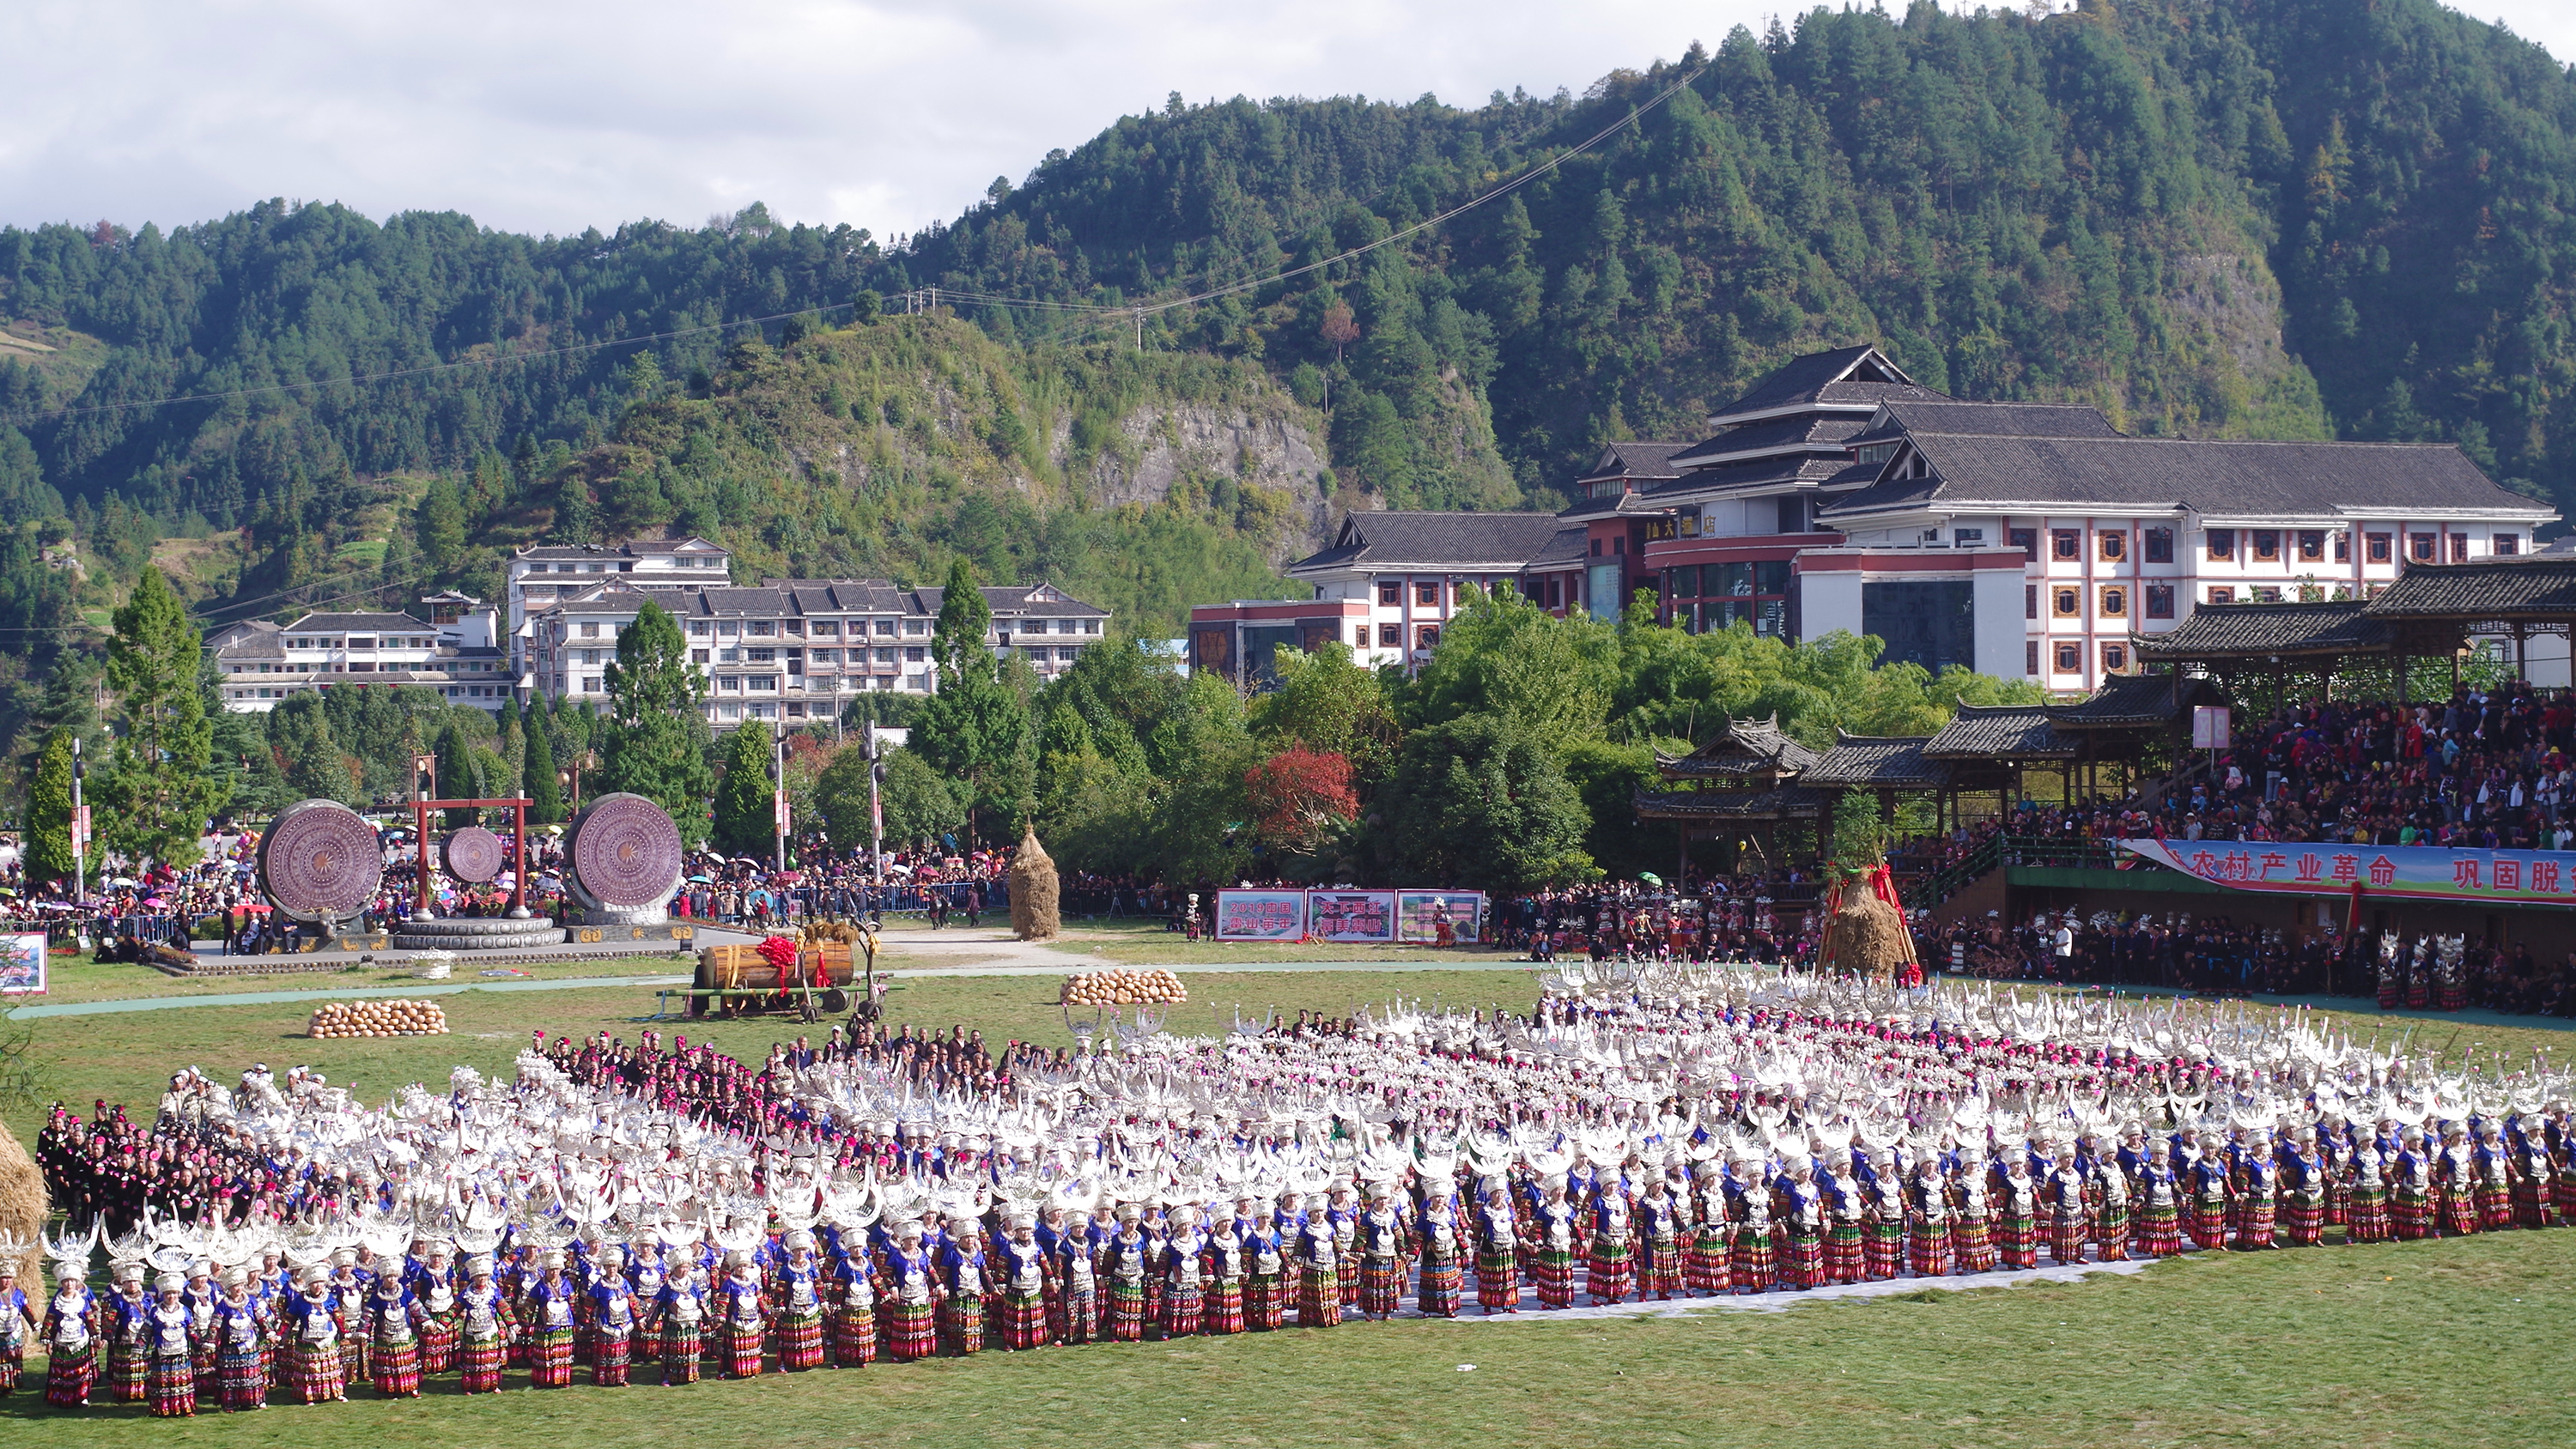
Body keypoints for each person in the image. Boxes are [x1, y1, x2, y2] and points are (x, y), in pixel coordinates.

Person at [210, 1267, 267, 1412]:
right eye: (236, 1286)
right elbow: (215, 1325)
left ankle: (256, 1399)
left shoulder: (251, 1301)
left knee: (251, 1373)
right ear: (230, 1287)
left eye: (241, 1285)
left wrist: (271, 1332)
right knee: (231, 1376)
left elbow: (262, 1320)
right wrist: (209, 1342)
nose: (239, 1289)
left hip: (249, 1344)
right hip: (230, 1346)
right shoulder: (223, 1305)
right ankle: (230, 1402)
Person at [144, 1272, 198, 1417]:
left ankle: (184, 1408)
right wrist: (140, 1347)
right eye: (168, 1293)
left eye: (174, 1293)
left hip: (180, 1352)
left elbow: (192, 1331)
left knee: (181, 1381)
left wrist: (199, 1345)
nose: (171, 1297)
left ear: (179, 1294)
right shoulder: (155, 1311)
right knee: (163, 1381)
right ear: (163, 1294)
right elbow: (146, 1331)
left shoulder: (184, 1311)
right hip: (161, 1353)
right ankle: (162, 1408)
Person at [455, 1257, 510, 1394]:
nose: (482, 1279)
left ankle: (493, 1384)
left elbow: (504, 1308)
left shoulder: (493, 1292)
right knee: (472, 1359)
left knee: (490, 1357)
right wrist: (441, 1324)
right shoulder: (466, 1293)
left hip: (490, 1329)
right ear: (473, 1277)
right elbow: (454, 1309)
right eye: (479, 1276)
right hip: (472, 1330)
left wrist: (513, 1324)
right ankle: (471, 1386)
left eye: (484, 1276)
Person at [652, 1258, 708, 1386]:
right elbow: (657, 1305)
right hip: (673, 1325)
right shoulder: (668, 1287)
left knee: (689, 1351)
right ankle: (668, 1376)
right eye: (681, 1268)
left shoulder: (692, 1285)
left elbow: (702, 1303)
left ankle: (690, 1375)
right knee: (672, 1352)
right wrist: (650, 1322)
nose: (684, 1271)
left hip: (691, 1324)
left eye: (686, 1267)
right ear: (675, 1269)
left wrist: (708, 1319)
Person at [714, 1249, 768, 1379]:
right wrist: (720, 1318)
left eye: (744, 1265)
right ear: (734, 1267)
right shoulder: (729, 1283)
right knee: (736, 1347)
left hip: (752, 1319)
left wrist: (767, 1313)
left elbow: (760, 1299)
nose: (742, 1268)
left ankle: (751, 1370)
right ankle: (736, 1370)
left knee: (751, 1346)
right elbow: (723, 1302)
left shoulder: (752, 1283)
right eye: (739, 1266)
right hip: (736, 1320)